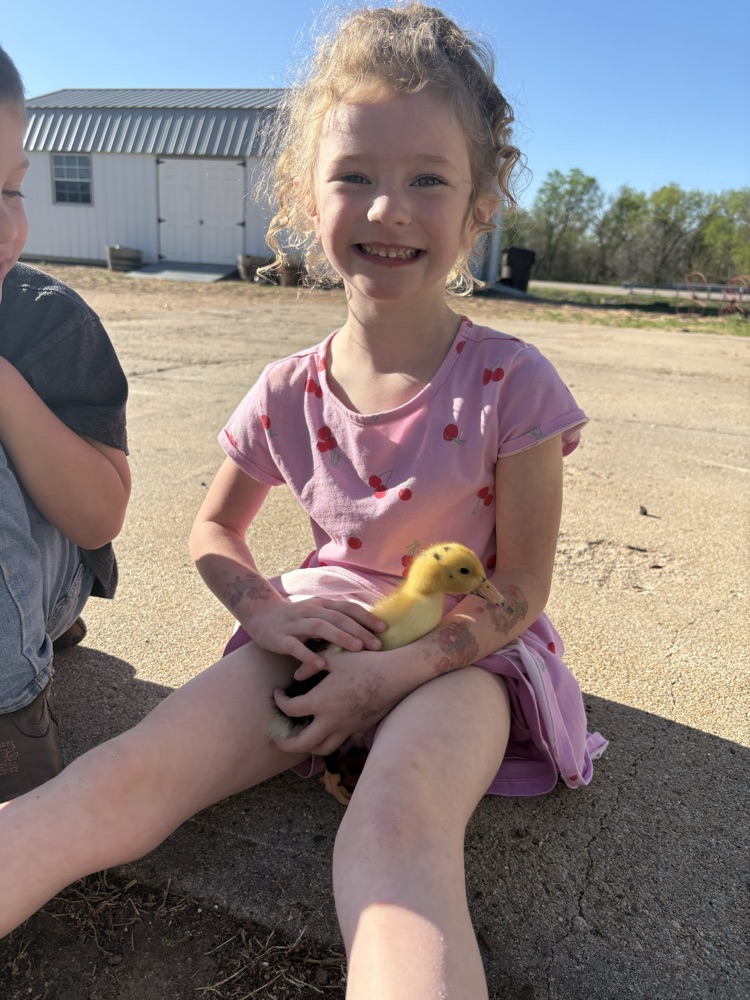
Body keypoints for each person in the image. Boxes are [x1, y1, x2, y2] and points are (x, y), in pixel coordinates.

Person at [0, 5, 605, 997]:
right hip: (313, 633)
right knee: (125, 774)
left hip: (464, 660)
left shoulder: (514, 385)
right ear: (303, 193)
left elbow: (520, 589)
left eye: (428, 179)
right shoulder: (288, 387)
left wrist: (394, 674)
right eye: (354, 174)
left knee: (395, 827)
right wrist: (264, 611)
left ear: (480, 206)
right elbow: (215, 528)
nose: (387, 208)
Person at [0, 46, 130, 800]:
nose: (5, 228)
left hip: (47, 576)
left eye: (11, 189)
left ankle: (13, 709)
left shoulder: (47, 320)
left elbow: (98, 516)